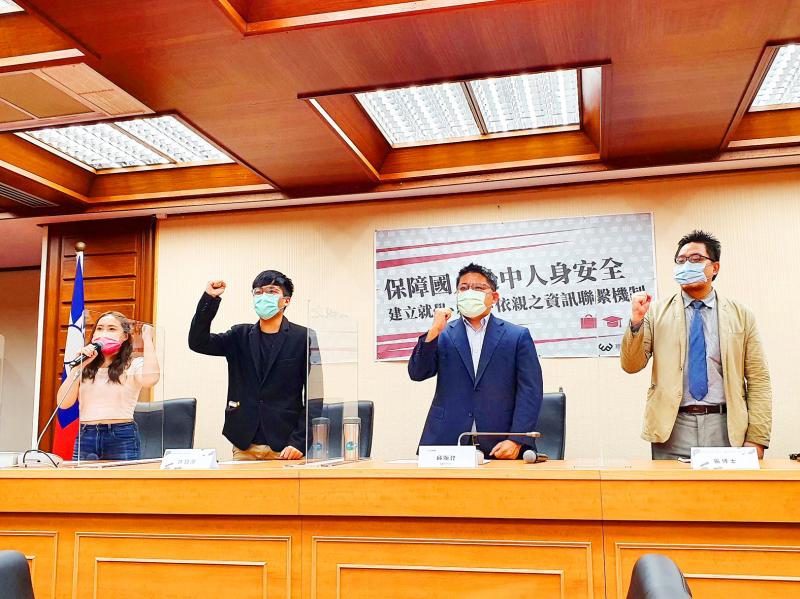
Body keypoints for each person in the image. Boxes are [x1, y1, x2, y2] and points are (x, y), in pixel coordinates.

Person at [621, 230, 772, 459]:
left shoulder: (741, 315)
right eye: (681, 260)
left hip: (726, 426)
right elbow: (631, 365)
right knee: (671, 485)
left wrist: (757, 437)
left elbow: (758, 378)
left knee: (725, 485)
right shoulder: (655, 313)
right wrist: (636, 322)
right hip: (672, 428)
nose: (686, 266)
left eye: (695, 259)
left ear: (715, 268)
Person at [408, 263, 543, 459]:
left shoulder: (517, 336)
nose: (469, 292)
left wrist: (517, 439)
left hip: (500, 442)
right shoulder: (443, 334)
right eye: (463, 288)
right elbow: (417, 373)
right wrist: (433, 332)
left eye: (478, 288)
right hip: (446, 440)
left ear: (494, 297)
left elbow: (530, 390)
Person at [189, 270, 319, 460]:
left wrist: (299, 441)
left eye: (271, 291)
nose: (263, 296)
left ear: (286, 300)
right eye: (258, 292)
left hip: (286, 445)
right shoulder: (239, 335)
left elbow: (315, 396)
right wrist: (210, 299)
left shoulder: (304, 337)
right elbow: (197, 342)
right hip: (244, 443)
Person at [57, 311, 160, 461]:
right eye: (99, 328)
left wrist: (148, 339)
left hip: (121, 434)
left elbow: (150, 379)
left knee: (121, 477)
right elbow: (63, 403)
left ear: (125, 336)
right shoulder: (84, 365)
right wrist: (78, 367)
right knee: (82, 477)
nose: (104, 333)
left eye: (112, 329)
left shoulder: (132, 364)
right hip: (86, 434)